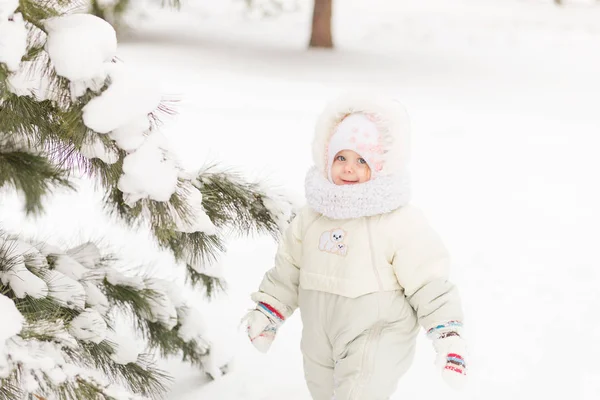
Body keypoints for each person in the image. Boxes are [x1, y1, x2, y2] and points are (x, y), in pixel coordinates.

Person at [244, 93, 467, 399]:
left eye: (361, 160)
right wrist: (268, 312)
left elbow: (427, 279)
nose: (349, 168)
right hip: (319, 338)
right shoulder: (310, 219)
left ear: (380, 166)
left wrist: (447, 336)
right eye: (341, 158)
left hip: (376, 334)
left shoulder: (397, 221)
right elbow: (288, 271)